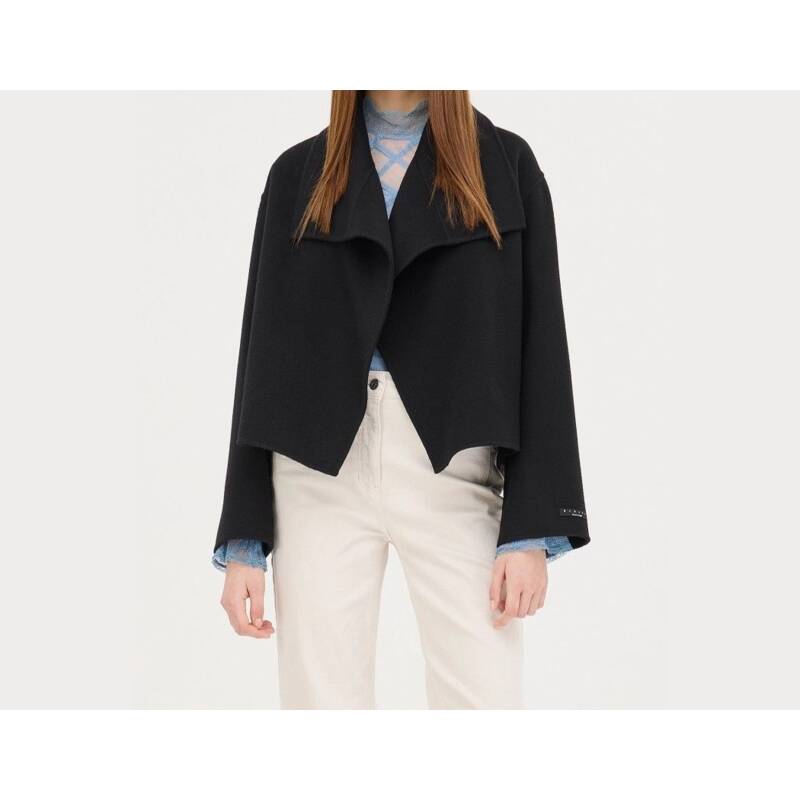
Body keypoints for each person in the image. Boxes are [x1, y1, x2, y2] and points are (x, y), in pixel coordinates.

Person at [213, 90, 590, 709]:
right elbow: (261, 357)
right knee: (319, 707)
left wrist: (530, 530)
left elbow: (540, 343)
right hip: (317, 471)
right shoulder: (297, 175)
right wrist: (244, 539)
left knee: (484, 701)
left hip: (455, 462)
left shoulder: (506, 165)